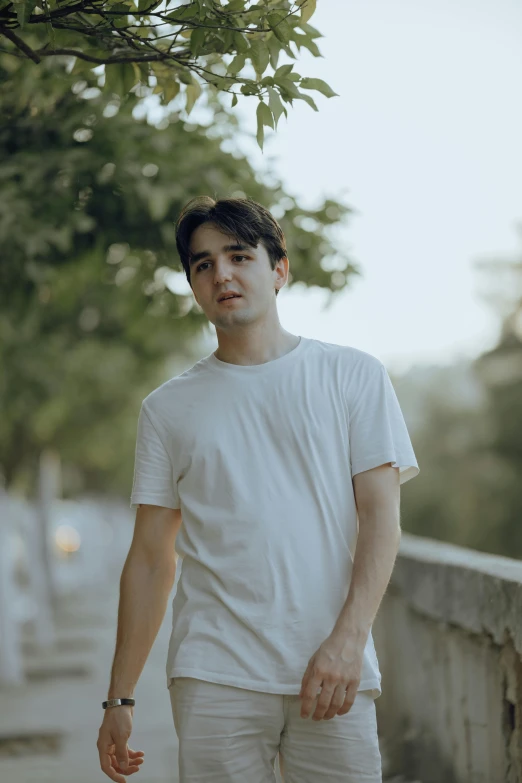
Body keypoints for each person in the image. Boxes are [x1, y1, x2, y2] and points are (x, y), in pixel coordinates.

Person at [97, 196, 420, 783]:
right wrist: (119, 699)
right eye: (203, 264)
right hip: (214, 675)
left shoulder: (353, 376)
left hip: (333, 669)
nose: (221, 273)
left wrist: (349, 642)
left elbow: (381, 520)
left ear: (279, 269)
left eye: (239, 256)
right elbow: (149, 560)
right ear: (193, 284)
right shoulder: (167, 409)